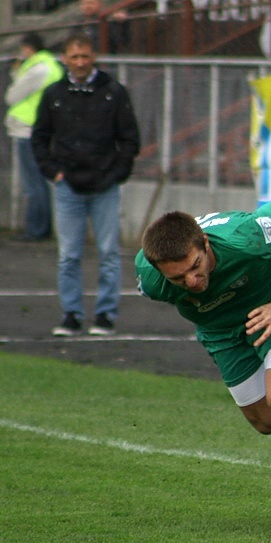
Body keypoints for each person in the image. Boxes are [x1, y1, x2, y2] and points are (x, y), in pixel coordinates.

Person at [135, 195, 271, 527]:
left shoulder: (245, 237)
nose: (192, 281)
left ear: (205, 244)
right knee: (265, 422)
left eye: (195, 266)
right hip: (221, 333)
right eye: (178, 279)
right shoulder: (150, 279)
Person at [31, 33, 141, 337]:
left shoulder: (113, 92)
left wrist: (119, 171)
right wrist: (52, 172)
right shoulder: (54, 94)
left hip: (105, 183)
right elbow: (39, 137)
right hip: (67, 184)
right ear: (65, 59)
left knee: (108, 252)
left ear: (94, 58)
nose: (80, 62)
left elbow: (130, 137)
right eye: (74, 57)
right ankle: (71, 314)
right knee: (68, 254)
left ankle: (105, 314)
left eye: (85, 56)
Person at [4, 33, 64, 241]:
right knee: (40, 180)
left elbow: (12, 96)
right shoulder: (53, 65)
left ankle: (37, 229)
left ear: (28, 49)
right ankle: (40, 227)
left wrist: (17, 73)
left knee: (33, 183)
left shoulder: (37, 69)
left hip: (28, 129)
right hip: (43, 128)